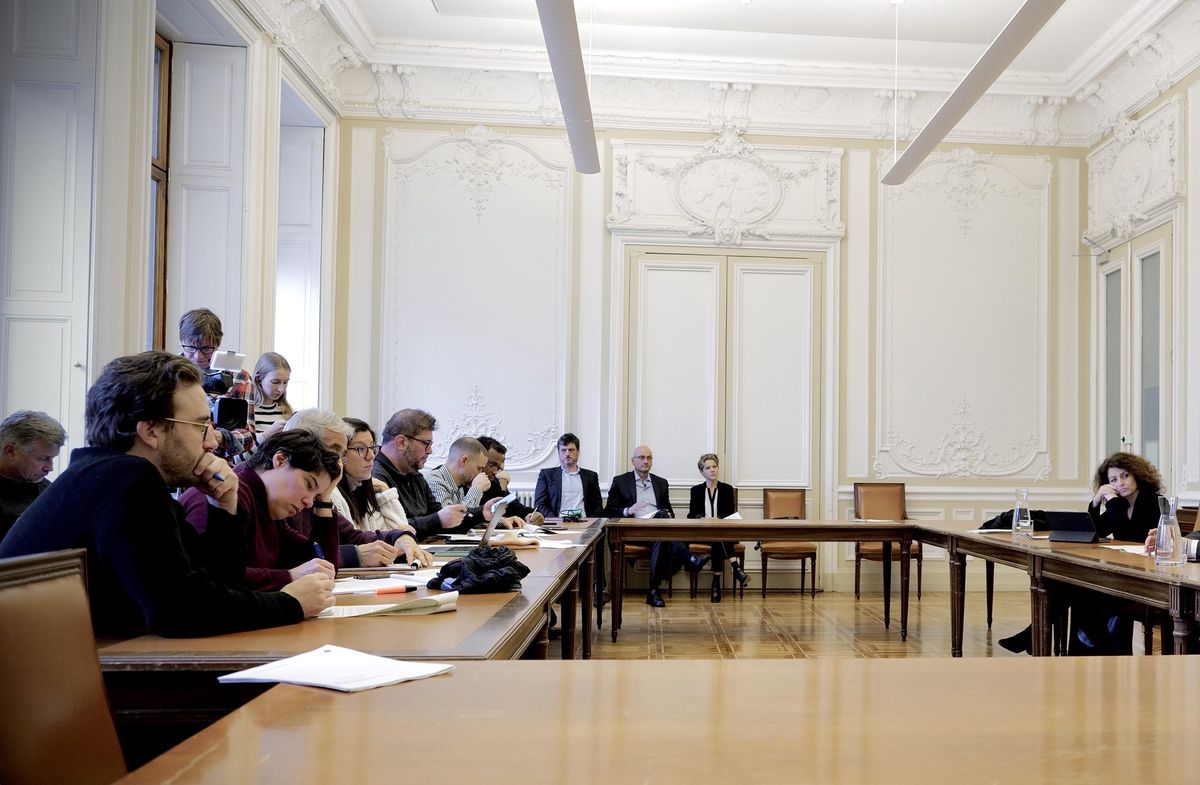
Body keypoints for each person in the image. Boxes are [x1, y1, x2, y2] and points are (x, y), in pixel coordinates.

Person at [0, 351, 332, 637]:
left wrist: (223, 505)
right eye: (201, 425)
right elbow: (181, 611)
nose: (212, 441)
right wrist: (290, 604)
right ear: (151, 431)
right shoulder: (127, 480)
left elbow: (216, 584)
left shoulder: (113, 476)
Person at [1000, 451, 1164, 655]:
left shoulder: (1152, 501)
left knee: (1076, 588)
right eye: (1113, 479)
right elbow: (1093, 530)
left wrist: (1111, 501)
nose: (1120, 483)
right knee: (1064, 582)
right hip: (1120, 571)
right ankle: (1042, 638)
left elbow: (1128, 534)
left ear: (1137, 475)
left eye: (1124, 476)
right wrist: (1095, 503)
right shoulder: (1121, 504)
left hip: (1144, 579)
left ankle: (1036, 637)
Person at [181, 430, 343, 591]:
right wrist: (289, 577)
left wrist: (324, 499)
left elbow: (323, 566)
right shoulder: (222, 494)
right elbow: (214, 578)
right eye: (308, 484)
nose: (308, 503)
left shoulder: (268, 508)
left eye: (315, 496)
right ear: (280, 460)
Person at [283, 409, 415, 567]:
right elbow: (300, 558)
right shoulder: (280, 495)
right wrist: (355, 555)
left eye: (341, 454)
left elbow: (352, 537)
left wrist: (399, 536)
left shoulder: (318, 493)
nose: (339, 462)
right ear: (300, 445)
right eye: (334, 450)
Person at [604, 444, 704, 608]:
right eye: (641, 458)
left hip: (657, 529)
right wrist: (628, 510)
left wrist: (668, 514)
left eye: (649, 458)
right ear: (633, 461)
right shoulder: (621, 481)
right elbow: (608, 510)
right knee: (662, 526)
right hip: (634, 531)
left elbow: (668, 509)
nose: (645, 461)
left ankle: (653, 591)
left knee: (661, 532)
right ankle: (690, 558)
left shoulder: (661, 483)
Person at [333, 417, 431, 567]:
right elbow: (376, 544)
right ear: (341, 454)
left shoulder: (363, 488)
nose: (371, 456)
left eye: (372, 448)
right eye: (361, 449)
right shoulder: (333, 495)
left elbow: (398, 541)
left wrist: (386, 492)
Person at [372, 408, 468, 540]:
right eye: (426, 444)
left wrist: (482, 512)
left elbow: (441, 515)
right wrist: (437, 520)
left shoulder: (414, 474)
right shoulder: (375, 478)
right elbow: (391, 528)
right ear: (401, 442)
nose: (430, 451)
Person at [178, 308, 256, 462]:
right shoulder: (169, 373)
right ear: (182, 342)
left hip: (217, 464)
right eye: (191, 348)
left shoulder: (238, 377)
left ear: (218, 344)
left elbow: (249, 436)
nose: (197, 356)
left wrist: (217, 437)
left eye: (206, 349)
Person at [423, 436, 522, 530]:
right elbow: (452, 523)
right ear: (464, 461)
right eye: (479, 468)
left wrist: (501, 521)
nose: (481, 473)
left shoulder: (460, 483)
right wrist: (476, 489)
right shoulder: (435, 481)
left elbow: (470, 519)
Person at [687, 452, 747, 602]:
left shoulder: (727, 489)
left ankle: (715, 584)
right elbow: (691, 515)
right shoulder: (696, 491)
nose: (712, 470)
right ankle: (735, 567)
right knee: (717, 537)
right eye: (708, 467)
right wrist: (702, 518)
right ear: (702, 472)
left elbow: (730, 513)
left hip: (723, 532)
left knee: (717, 538)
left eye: (715, 466)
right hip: (703, 532)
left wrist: (718, 520)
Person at [0, 410, 66, 543]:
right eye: (43, 458)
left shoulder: (51, 492)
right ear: (10, 451)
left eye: (52, 459)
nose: (50, 468)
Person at [533, 433, 603, 519]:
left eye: (571, 450)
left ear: (578, 452)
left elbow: (598, 505)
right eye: (563, 450)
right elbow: (540, 504)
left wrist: (590, 522)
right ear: (558, 452)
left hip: (584, 523)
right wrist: (555, 521)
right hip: (556, 523)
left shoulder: (591, 476)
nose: (567, 454)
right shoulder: (546, 475)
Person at [477, 436, 543, 525]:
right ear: (479, 459)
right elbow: (474, 516)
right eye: (492, 464)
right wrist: (502, 489)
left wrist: (535, 514)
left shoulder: (494, 481)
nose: (495, 471)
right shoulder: (463, 482)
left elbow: (515, 508)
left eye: (499, 466)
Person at [248, 352, 293, 438]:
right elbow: (241, 450)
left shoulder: (287, 411)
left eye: (285, 382)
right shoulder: (246, 411)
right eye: (275, 382)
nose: (281, 389)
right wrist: (267, 434)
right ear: (258, 379)